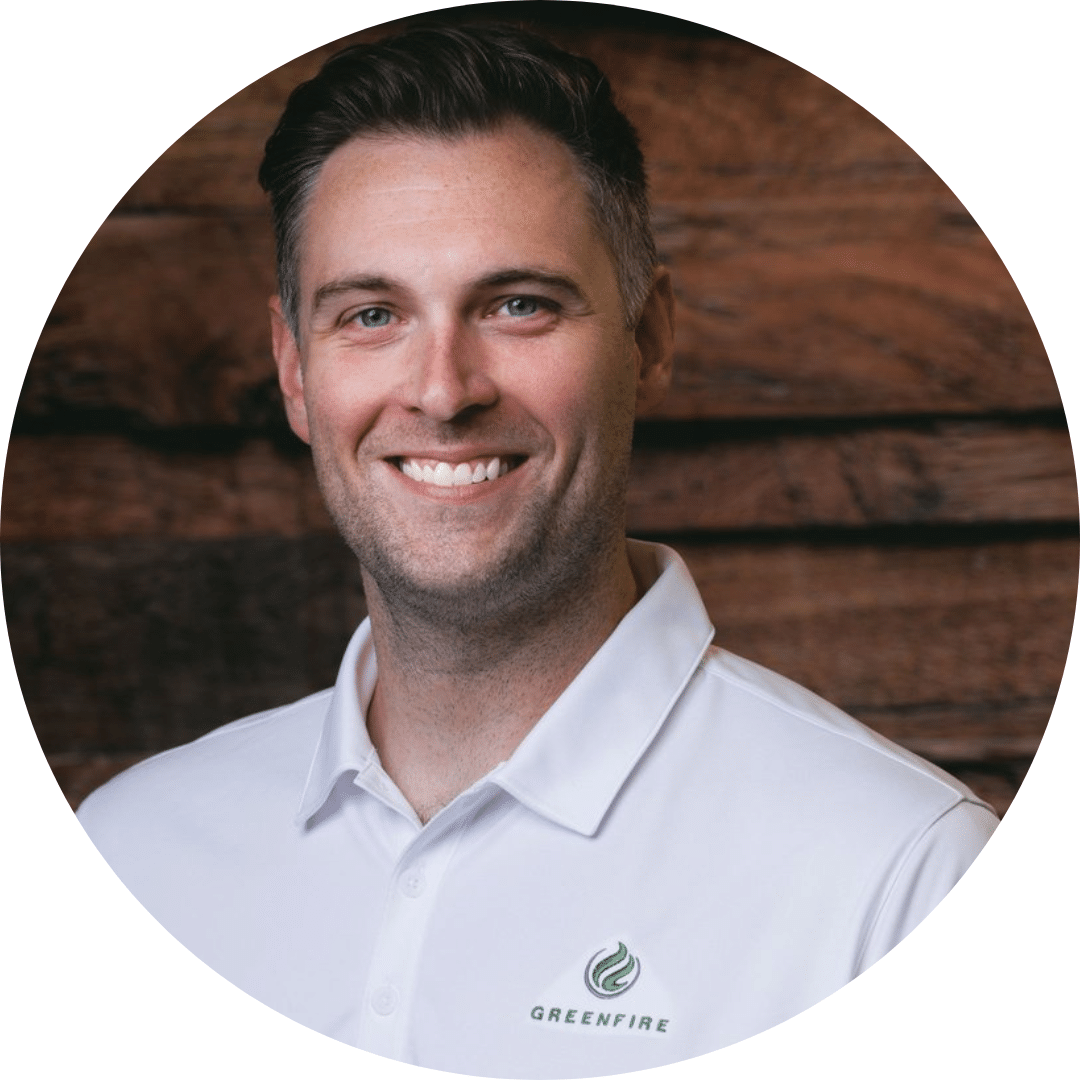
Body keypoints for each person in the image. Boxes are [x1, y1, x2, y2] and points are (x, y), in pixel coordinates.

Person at [78, 23, 998, 1077]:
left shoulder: (899, 883)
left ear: (648, 340)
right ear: (294, 369)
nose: (442, 391)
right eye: (371, 314)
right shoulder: (129, 859)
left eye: (518, 305)